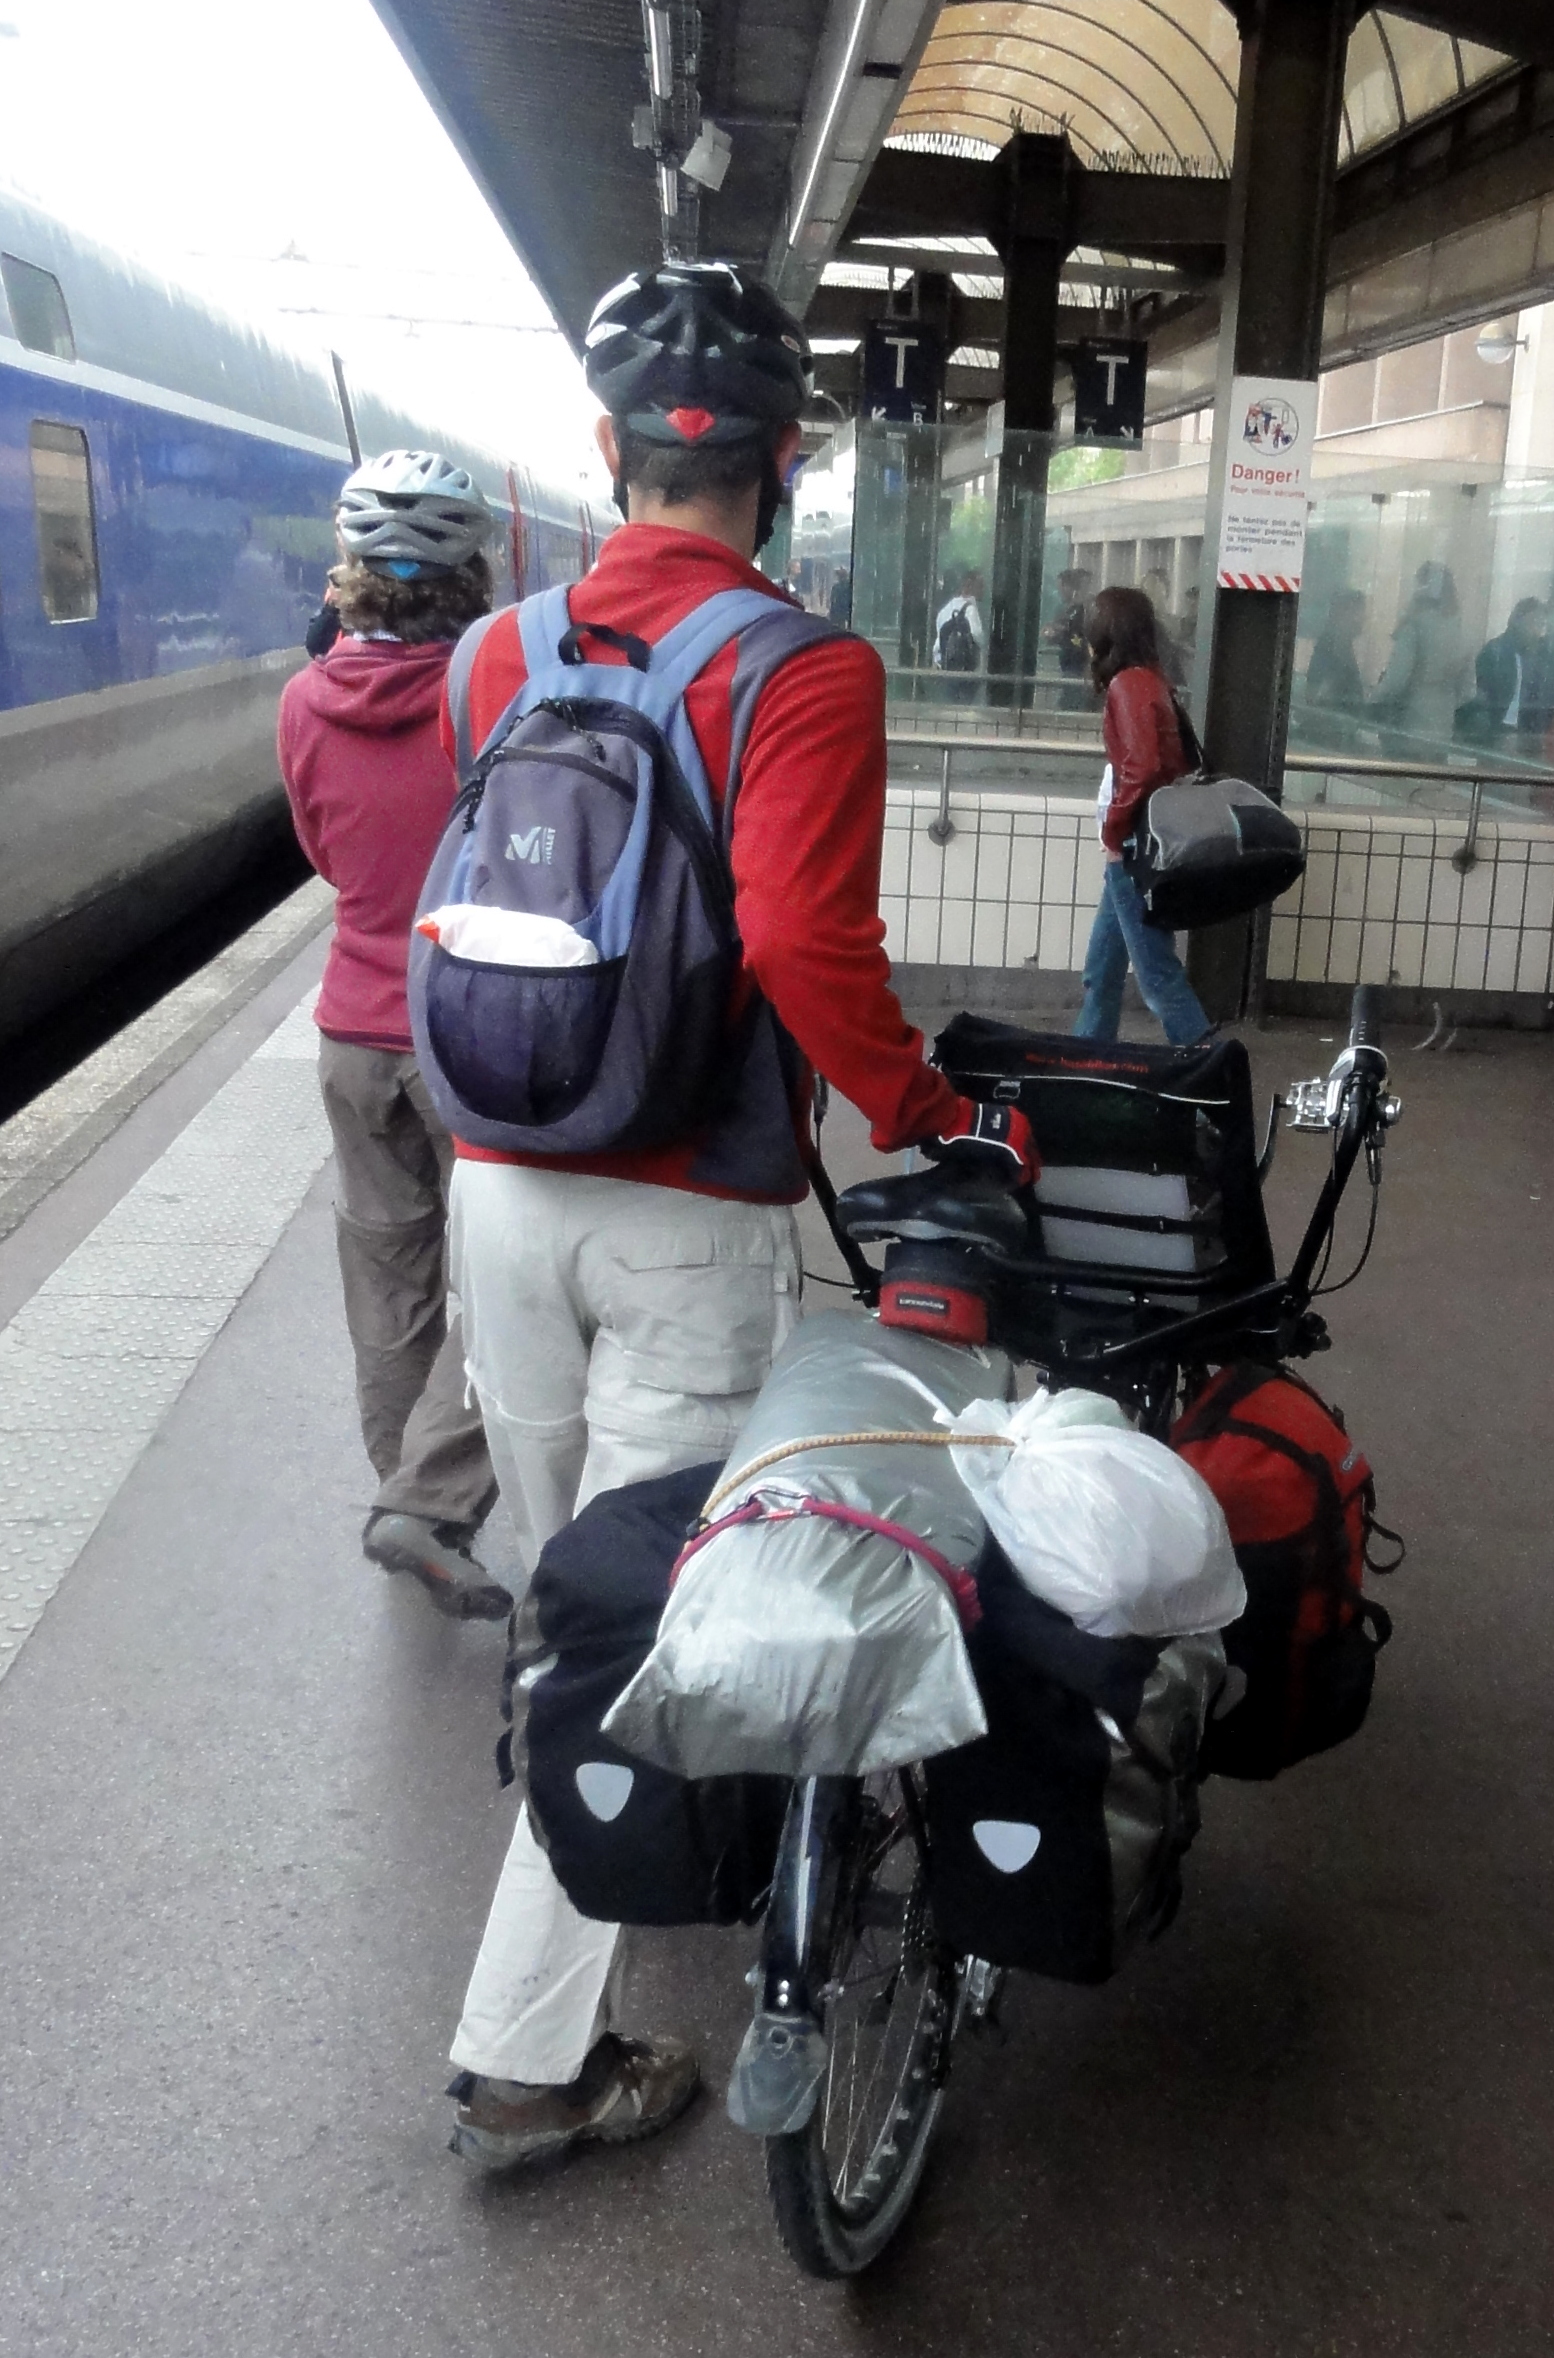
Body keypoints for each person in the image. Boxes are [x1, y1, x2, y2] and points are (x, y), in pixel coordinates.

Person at [437, 261, 1039, 2171]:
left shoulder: (487, 658)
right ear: (788, 460)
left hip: (494, 1181)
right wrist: (926, 1112)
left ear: (608, 449)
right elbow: (794, 936)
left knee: (569, 1597)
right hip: (683, 1207)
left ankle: (610, 1832)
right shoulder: (802, 666)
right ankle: (531, 2057)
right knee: (627, 1631)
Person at [277, 450, 508, 1621]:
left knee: (387, 1281)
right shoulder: (492, 697)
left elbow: (324, 854)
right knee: (507, 1280)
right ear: (469, 580)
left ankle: (405, 1496)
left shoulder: (302, 700)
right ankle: (426, 1501)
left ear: (353, 576)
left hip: (351, 1032)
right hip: (470, 1027)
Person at [1072, 585, 1214, 1048]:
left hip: (1133, 848)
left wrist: (1113, 832)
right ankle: (1087, 1062)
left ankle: (1209, 1080)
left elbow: (1141, 766)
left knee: (1156, 977)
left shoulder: (1127, 684)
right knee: (1102, 968)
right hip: (1139, 844)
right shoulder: (1153, 679)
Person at [1369, 560, 1466, 754]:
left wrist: (1372, 701)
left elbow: (1396, 680)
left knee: (1402, 781)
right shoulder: (1461, 632)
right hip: (1443, 731)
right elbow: (1468, 690)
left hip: (1409, 725)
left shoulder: (1414, 626)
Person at [1467, 596, 1548, 744]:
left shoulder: (1539, 659)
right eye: (1533, 623)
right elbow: (1479, 697)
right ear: (1518, 621)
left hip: (1525, 737)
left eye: (1541, 625)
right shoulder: (1494, 651)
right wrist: (1488, 734)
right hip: (1494, 734)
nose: (1537, 631)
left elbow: (1540, 703)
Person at [1304, 588, 1368, 712]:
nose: (1363, 619)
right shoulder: (1327, 649)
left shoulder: (1344, 648)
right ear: (1342, 614)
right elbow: (1313, 697)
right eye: (1359, 613)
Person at [1042, 566, 1092, 707]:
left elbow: (1080, 637)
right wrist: (1053, 633)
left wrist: (1063, 632)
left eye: (1061, 587)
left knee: (1072, 699)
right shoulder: (1067, 608)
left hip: (1078, 661)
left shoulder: (1083, 608)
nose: (1059, 591)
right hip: (1070, 660)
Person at [933, 567, 985, 700]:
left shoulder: (945, 610)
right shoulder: (970, 610)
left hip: (948, 670)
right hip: (966, 672)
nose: (983, 590)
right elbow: (979, 637)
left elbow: (938, 645)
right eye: (980, 586)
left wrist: (942, 664)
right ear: (969, 586)